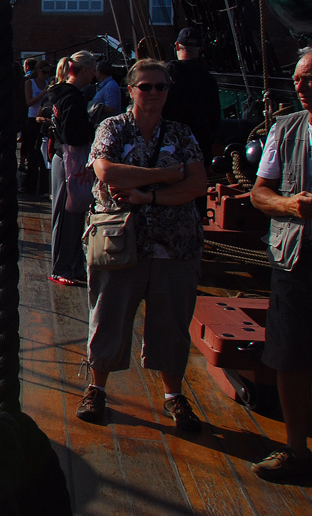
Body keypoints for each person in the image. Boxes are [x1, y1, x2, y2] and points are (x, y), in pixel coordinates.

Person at [75, 58, 206, 434]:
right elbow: (107, 171)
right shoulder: (112, 128)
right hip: (119, 240)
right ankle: (96, 389)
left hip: (174, 245)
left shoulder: (181, 134)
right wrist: (166, 176)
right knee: (108, 316)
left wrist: (148, 197)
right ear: (130, 89)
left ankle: (173, 396)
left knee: (171, 323)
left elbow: (197, 185)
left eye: (160, 87)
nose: (153, 93)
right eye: (145, 86)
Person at [247, 49, 312, 481]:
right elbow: (259, 194)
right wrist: (290, 204)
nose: (301, 88)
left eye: (311, 79)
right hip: (296, 258)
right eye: (298, 79)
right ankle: (295, 448)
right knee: (289, 355)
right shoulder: (285, 131)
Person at [47, 51, 97, 286]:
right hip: (70, 159)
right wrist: (91, 126)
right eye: (92, 69)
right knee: (67, 214)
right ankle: (62, 267)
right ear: (85, 70)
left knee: (72, 213)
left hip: (63, 157)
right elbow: (72, 134)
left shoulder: (61, 94)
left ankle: (73, 265)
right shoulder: (73, 98)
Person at [163, 26, 220, 154]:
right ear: (200, 49)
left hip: (171, 145)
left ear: (177, 46)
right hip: (199, 146)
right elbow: (215, 120)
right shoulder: (209, 79)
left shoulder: (167, 73)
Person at [21, 58, 49, 195]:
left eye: (47, 73)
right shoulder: (29, 83)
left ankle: (42, 187)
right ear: (37, 71)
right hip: (32, 119)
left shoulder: (47, 83)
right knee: (32, 153)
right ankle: (29, 185)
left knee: (42, 154)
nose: (45, 75)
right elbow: (29, 102)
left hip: (43, 120)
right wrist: (44, 93)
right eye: (44, 72)